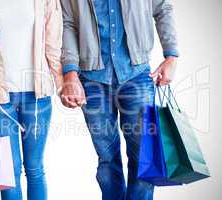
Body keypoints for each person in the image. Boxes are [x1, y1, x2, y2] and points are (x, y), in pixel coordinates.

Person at [60, 0, 178, 199]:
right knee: (107, 159)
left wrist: (171, 55)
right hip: (91, 78)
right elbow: (67, 23)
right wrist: (70, 72)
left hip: (137, 74)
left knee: (144, 157)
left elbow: (162, 8)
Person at [0, 0, 63, 199]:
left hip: (37, 97)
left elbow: (53, 46)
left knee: (34, 168)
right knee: (8, 171)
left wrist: (62, 86)